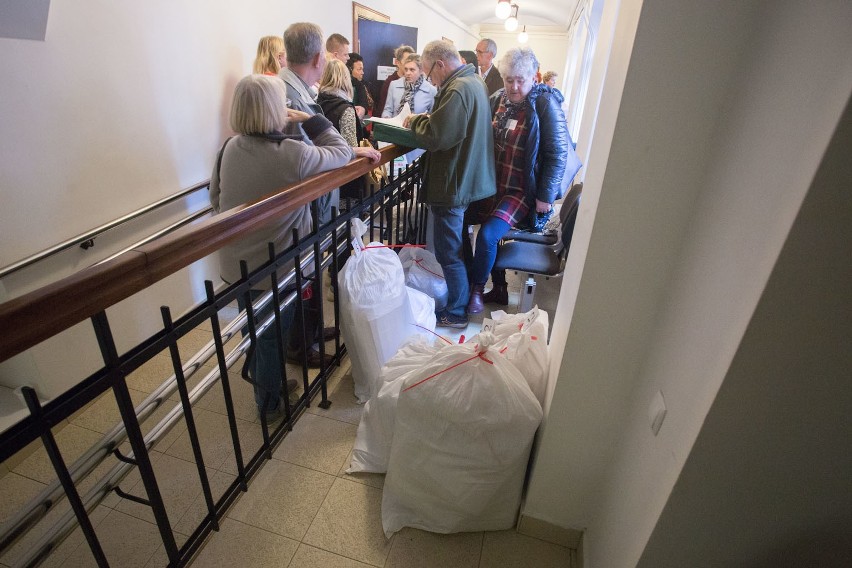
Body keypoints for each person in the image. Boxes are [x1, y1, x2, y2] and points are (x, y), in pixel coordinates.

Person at [209, 75, 354, 421]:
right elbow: (342, 151)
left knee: (254, 331)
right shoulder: (291, 154)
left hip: (237, 265)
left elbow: (215, 199)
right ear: (276, 109)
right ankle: (269, 404)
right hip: (278, 267)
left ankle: (266, 386)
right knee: (271, 337)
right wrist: (312, 119)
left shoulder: (229, 148)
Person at [278, 23, 381, 366]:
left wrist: (351, 152)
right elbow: (313, 153)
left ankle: (310, 332)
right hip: (304, 202)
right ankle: (299, 344)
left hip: (315, 201)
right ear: (319, 57)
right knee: (303, 274)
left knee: (311, 270)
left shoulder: (301, 91)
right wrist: (348, 151)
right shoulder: (288, 95)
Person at [465, 47, 569, 313]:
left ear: (533, 77)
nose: (513, 86)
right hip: (491, 184)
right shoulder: (499, 99)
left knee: (488, 235)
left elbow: (557, 152)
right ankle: (498, 289)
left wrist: (545, 196)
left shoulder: (544, 104)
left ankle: (476, 289)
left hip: (520, 191)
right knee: (460, 220)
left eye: (520, 80)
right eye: (509, 79)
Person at [403, 40, 496, 328]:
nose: (431, 80)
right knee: (458, 247)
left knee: (449, 252)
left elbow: (437, 136)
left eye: (430, 74)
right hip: (466, 179)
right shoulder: (474, 82)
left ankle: (456, 312)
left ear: (440, 64)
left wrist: (414, 122)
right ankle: (462, 299)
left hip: (453, 183)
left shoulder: (457, 89)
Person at [377, 44, 415, 122]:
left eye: (412, 61)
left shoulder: (416, 82)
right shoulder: (390, 82)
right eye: (407, 61)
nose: (410, 64)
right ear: (397, 62)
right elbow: (384, 108)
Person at [346, 52, 371, 118]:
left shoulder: (363, 85)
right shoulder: (342, 86)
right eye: (359, 69)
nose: (362, 73)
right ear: (349, 70)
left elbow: (365, 106)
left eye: (362, 69)